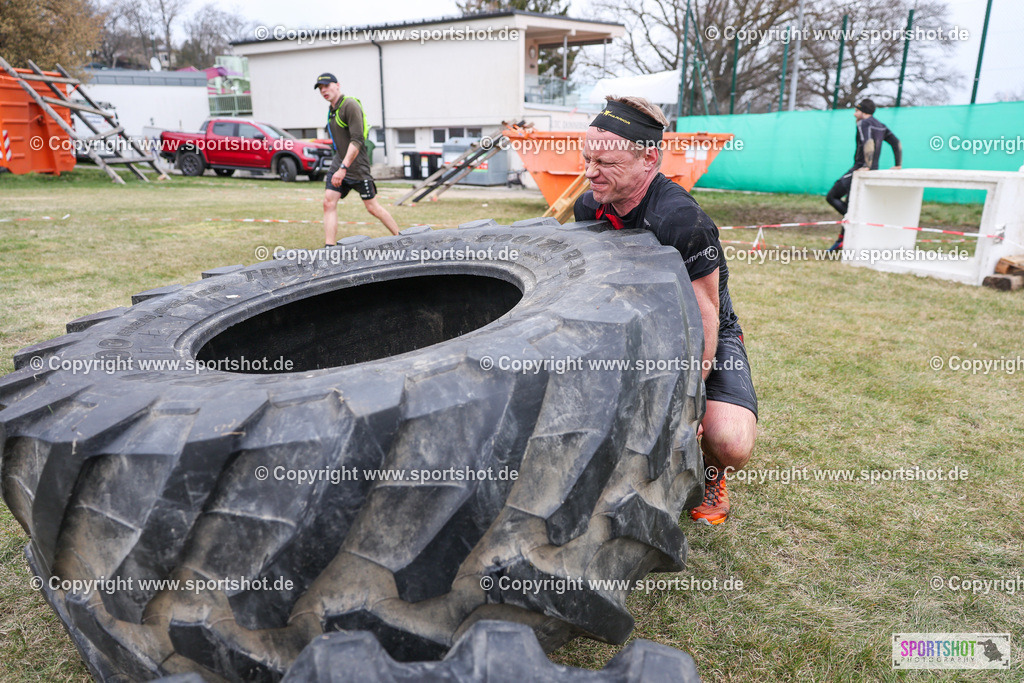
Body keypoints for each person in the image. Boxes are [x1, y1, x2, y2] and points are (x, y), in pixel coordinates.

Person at [574, 96, 757, 525]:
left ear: (649, 158)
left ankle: (713, 475)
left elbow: (707, 315)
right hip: (636, 323)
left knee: (729, 441)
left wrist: (690, 397)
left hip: (702, 332)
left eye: (606, 163)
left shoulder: (681, 219)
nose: (590, 172)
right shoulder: (588, 206)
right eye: (587, 159)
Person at [314, 72, 400, 243]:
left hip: (356, 167)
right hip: (339, 163)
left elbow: (358, 140)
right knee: (328, 203)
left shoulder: (350, 105)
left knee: (372, 207)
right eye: (320, 88)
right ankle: (329, 248)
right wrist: (339, 167)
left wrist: (343, 168)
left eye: (327, 86)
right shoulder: (332, 110)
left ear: (338, 85)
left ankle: (400, 237)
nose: (324, 90)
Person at [825, 98, 902, 251]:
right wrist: (898, 164)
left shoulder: (864, 123)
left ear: (863, 112)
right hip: (872, 171)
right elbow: (896, 142)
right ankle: (843, 239)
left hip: (860, 169)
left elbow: (868, 142)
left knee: (832, 196)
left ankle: (855, 221)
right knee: (851, 202)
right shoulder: (880, 125)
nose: (854, 115)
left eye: (856, 111)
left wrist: (866, 165)